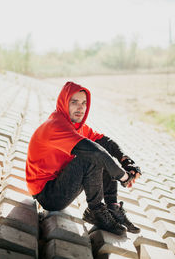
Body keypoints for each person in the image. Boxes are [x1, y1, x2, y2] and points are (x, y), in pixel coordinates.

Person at [26, 81, 142, 235]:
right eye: (74, 102)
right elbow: (96, 153)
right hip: (48, 195)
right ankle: (95, 210)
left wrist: (126, 161)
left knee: (100, 150)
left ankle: (112, 206)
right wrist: (123, 176)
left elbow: (105, 142)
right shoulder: (55, 126)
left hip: (60, 182)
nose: (80, 107)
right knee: (92, 155)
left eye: (84, 103)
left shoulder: (78, 127)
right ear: (63, 103)